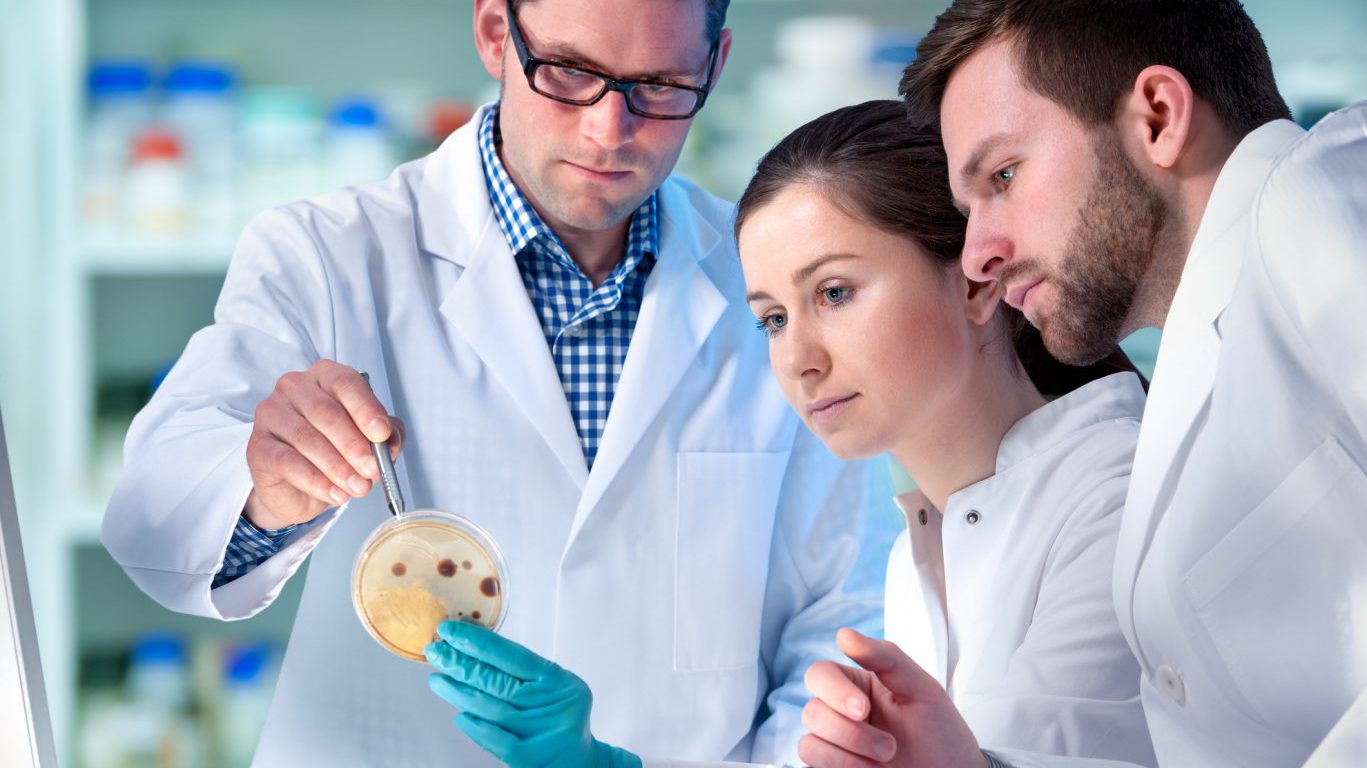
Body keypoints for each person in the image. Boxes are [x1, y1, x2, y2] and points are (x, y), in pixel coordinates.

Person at [100, 0, 895, 765]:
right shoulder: (327, 254)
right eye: (568, 70)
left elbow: (839, 617)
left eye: (658, 85)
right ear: (493, 32)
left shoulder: (773, 286)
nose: (606, 127)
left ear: (713, 68)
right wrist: (264, 489)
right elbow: (150, 522)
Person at [820, 0, 1364, 765]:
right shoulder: (1202, 358)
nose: (976, 254)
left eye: (1002, 175)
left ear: (1156, 118)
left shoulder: (1328, 191)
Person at [730, 100, 1157, 768]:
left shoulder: (1120, 503)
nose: (796, 359)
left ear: (976, 282)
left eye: (834, 292)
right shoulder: (920, 552)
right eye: (774, 319)